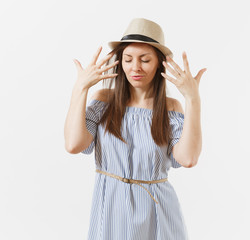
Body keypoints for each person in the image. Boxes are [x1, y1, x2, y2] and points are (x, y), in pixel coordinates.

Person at [64, 18, 206, 240]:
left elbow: (188, 159)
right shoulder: (104, 101)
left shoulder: (170, 108)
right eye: (128, 59)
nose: (135, 67)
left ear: (160, 62)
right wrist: (80, 88)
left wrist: (192, 98)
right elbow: (73, 144)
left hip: (157, 210)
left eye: (145, 60)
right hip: (111, 209)